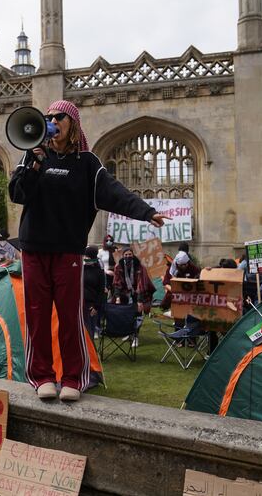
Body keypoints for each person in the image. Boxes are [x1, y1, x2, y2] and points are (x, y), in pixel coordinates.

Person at [9, 99, 169, 402]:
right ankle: (42, 376)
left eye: (59, 117)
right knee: (37, 316)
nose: (52, 121)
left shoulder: (87, 163)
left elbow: (115, 193)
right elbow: (18, 194)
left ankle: (72, 377)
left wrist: (147, 212)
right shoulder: (31, 156)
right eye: (48, 116)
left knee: (70, 316)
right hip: (33, 250)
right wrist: (34, 164)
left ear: (72, 124)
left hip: (68, 252)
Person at [112, 247, 153, 311]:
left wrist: (139, 300)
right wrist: (117, 297)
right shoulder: (118, 266)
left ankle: (138, 317)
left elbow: (141, 283)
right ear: (123, 256)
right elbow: (117, 282)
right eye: (126, 255)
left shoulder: (140, 266)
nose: (128, 256)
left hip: (137, 289)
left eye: (130, 254)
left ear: (133, 255)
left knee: (138, 309)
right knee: (122, 308)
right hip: (124, 289)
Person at [82, 246, 105, 339]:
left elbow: (101, 291)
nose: (85, 259)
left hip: (91, 306)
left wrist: (96, 307)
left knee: (89, 332)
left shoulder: (98, 272)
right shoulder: (81, 269)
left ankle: (91, 353)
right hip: (81, 304)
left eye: (87, 257)